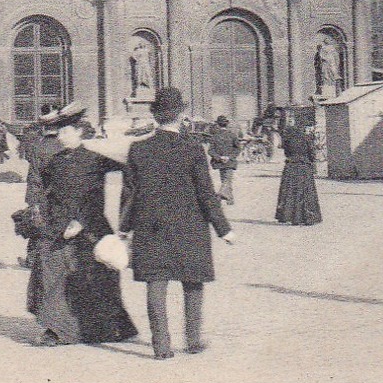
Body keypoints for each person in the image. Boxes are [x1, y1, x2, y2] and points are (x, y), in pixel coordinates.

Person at [122, 86, 236, 359]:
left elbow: (129, 194)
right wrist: (224, 229)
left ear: (154, 116)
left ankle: (161, 346)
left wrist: (123, 230)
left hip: (151, 227)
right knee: (193, 282)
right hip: (190, 227)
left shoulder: (138, 149)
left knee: (155, 284)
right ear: (180, 115)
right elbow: (206, 194)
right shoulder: (193, 149)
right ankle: (193, 340)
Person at [27, 103, 138, 348]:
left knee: (95, 279)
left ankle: (104, 328)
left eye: (66, 132)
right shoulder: (54, 161)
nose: (61, 137)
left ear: (79, 132)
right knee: (52, 274)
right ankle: (56, 329)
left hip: (90, 226)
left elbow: (132, 168)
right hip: (57, 226)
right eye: (59, 133)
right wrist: (36, 210)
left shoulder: (95, 159)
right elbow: (41, 188)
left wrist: (123, 211)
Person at [274, 112, 323, 225]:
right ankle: (306, 217)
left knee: (290, 192)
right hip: (303, 167)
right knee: (306, 192)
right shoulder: (306, 139)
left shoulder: (288, 139)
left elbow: (286, 153)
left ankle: (290, 216)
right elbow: (312, 154)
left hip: (290, 167)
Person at [206, 116, 240, 205]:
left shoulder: (214, 136)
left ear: (217, 125)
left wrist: (219, 157)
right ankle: (221, 196)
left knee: (225, 180)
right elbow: (237, 149)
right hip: (230, 161)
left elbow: (210, 151)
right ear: (227, 124)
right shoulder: (232, 135)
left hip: (219, 162)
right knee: (227, 180)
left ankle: (229, 199)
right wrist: (229, 157)